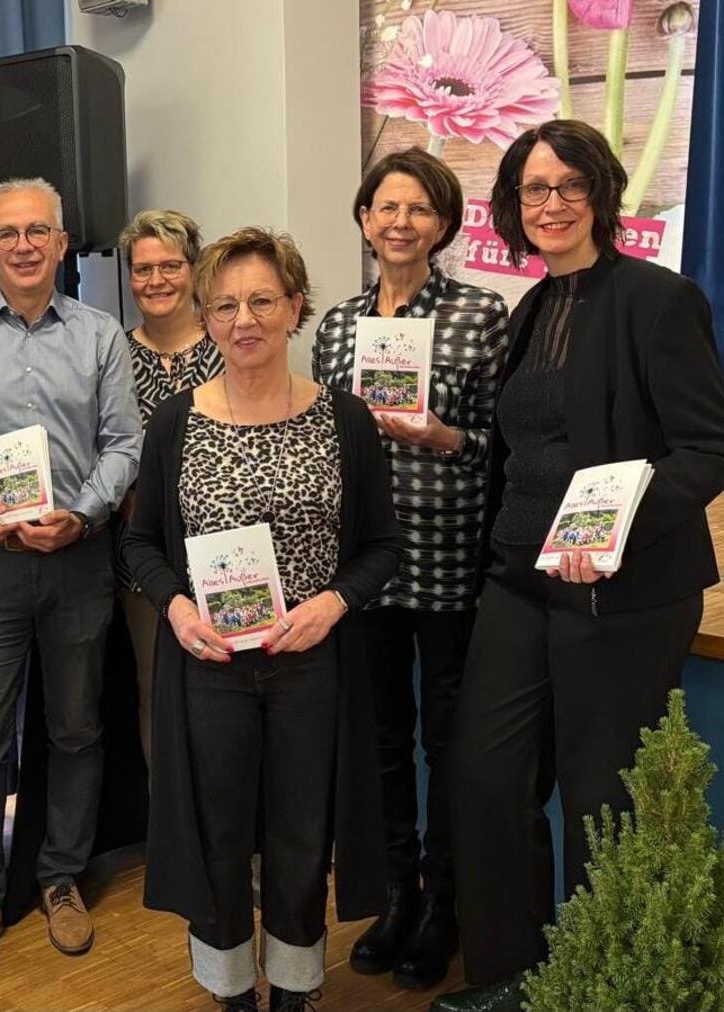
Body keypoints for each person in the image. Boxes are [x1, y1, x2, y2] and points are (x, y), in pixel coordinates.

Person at [432, 120, 724, 1012]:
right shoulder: (530, 308)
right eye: (532, 190)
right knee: (485, 775)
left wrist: (614, 532)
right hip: (518, 581)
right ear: (513, 209)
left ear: (601, 193)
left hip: (622, 594)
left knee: (602, 796)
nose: (550, 204)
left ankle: (598, 985)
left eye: (567, 186)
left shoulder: (656, 299)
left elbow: (706, 449)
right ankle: (515, 973)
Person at [122, 226, 402, 1012]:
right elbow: (140, 544)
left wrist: (334, 603)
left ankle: (296, 990)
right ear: (207, 318)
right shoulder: (175, 423)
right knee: (216, 833)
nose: (244, 319)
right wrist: (175, 609)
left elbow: (382, 547)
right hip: (209, 665)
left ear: (295, 308)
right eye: (226, 305)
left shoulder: (345, 420)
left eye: (262, 301)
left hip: (311, 663)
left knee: (300, 835)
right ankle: (230, 989)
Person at [0, 177, 142, 986]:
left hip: (78, 560)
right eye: (7, 233)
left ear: (58, 243)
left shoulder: (101, 334)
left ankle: (60, 879)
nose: (22, 244)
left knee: (77, 731)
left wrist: (82, 514)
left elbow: (126, 443)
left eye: (37, 231)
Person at [312, 148, 509, 990]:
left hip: (453, 561)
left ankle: (447, 909)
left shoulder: (481, 313)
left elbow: (510, 445)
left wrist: (443, 437)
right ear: (363, 219)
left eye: (418, 209)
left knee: (451, 744)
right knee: (383, 741)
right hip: (366, 571)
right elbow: (321, 444)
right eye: (385, 207)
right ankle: (399, 896)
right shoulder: (338, 326)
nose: (399, 223)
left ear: (443, 224)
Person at [115, 209, 224, 770]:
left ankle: (237, 846)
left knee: (225, 699)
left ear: (194, 268)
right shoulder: (111, 354)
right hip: (146, 557)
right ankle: (172, 837)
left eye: (170, 266)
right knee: (154, 691)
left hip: (228, 554)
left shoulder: (231, 344)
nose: (155, 281)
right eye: (141, 269)